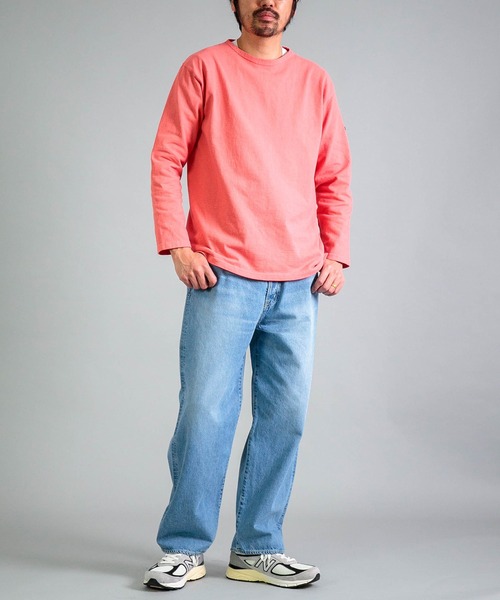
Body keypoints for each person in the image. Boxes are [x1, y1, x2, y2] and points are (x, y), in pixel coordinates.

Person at [144, 0, 352, 590]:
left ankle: (257, 549)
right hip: (221, 274)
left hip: (299, 281)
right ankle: (183, 548)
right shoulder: (204, 68)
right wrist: (176, 243)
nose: (268, 2)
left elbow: (333, 174)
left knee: (285, 417)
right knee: (205, 413)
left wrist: (336, 253)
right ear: (234, 3)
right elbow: (167, 157)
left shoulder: (314, 81)